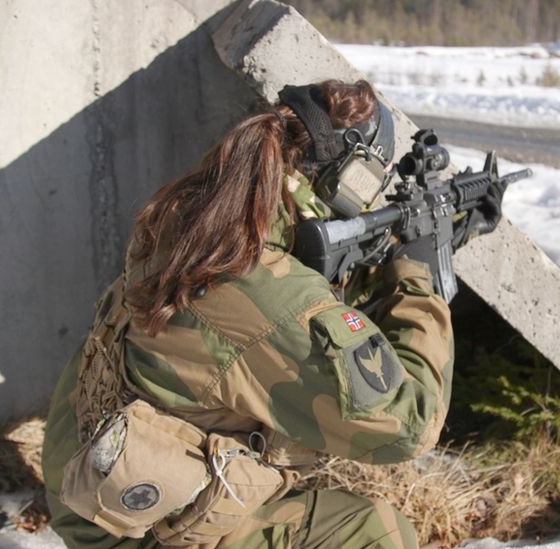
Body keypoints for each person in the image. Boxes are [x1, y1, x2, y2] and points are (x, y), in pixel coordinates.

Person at [41, 80, 455, 549]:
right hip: (135, 534)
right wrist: (417, 278)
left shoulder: (195, 223)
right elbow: (410, 427)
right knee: (374, 530)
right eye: (369, 183)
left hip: (89, 497)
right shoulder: (265, 294)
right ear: (342, 178)